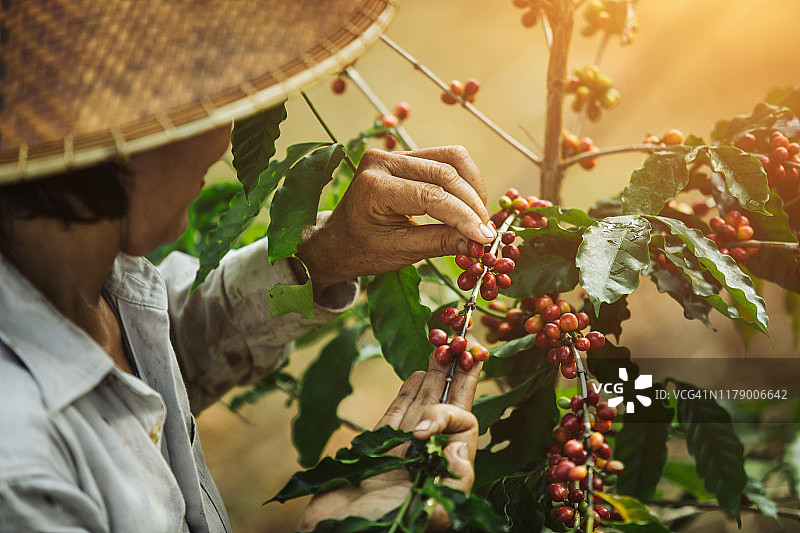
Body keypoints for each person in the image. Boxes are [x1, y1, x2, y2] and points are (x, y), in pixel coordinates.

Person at [0, 1, 494, 531]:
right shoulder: (19, 473)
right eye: (201, 100)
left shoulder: (92, 279)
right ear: (117, 135)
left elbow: (162, 352)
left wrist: (328, 253)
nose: (225, 133)